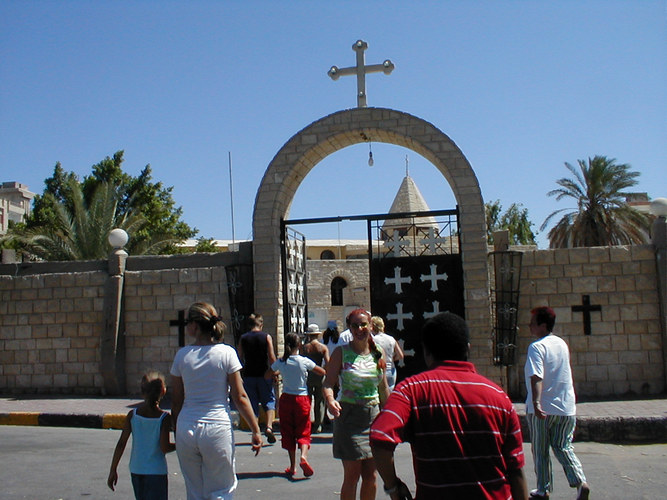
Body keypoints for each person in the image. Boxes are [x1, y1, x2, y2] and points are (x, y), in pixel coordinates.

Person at [370, 312, 528, 500]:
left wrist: (393, 487)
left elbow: (380, 437)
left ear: (427, 352)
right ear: (467, 349)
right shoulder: (499, 398)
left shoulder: (411, 390)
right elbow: (516, 470)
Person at [170, 302, 262, 500]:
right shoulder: (226, 353)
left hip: (186, 426)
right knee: (221, 489)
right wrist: (255, 429)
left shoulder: (181, 356)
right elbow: (240, 396)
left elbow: (176, 400)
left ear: (194, 325)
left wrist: (175, 428)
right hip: (216, 427)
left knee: (194, 490)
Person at [323, 308, 390, 500]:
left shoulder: (379, 353)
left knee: (371, 476)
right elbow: (328, 383)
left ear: (371, 325)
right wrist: (330, 400)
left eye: (363, 324)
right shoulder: (340, 353)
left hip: (374, 417)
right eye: (355, 325)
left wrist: (392, 415)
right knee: (352, 476)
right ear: (349, 328)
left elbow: (383, 387)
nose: (360, 329)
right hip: (349, 417)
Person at [525, 306, 590, 500]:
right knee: (563, 446)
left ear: (542, 325)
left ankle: (543, 489)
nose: (530, 326)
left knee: (540, 449)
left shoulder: (536, 347)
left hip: (543, 407)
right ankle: (580, 481)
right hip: (566, 406)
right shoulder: (562, 344)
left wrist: (536, 402)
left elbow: (537, 376)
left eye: (533, 323)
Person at [107, 371, 175, 500]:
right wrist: (179, 445)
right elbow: (164, 447)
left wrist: (113, 469)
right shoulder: (164, 418)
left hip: (136, 469)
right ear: (163, 392)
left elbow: (121, 443)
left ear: (143, 392)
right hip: (156, 472)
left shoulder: (133, 415)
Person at [271, 332, 326, 477]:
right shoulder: (303, 361)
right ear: (299, 345)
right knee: (303, 429)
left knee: (288, 432)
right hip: (301, 398)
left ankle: (292, 466)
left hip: (286, 398)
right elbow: (321, 372)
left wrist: (277, 374)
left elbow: (268, 373)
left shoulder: (281, 361)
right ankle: (304, 456)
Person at [238, 313, 277, 443]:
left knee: (252, 402)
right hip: (264, 374)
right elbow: (271, 357)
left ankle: (256, 430)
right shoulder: (266, 337)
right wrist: (274, 371)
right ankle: (269, 427)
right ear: (261, 324)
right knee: (269, 401)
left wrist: (241, 372)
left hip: (249, 374)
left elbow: (239, 357)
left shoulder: (243, 338)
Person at [301, 323, 330, 433]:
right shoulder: (322, 348)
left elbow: (301, 361)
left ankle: (306, 423)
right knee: (320, 401)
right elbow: (328, 363)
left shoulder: (304, 347)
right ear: (317, 335)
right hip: (320, 375)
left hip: (308, 375)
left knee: (306, 400)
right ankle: (318, 424)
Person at [370, 316, 404, 390]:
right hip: (391, 369)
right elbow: (400, 355)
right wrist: (392, 359)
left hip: (379, 369)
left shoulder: (373, 340)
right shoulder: (391, 339)